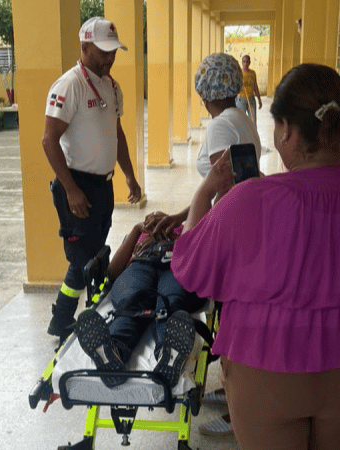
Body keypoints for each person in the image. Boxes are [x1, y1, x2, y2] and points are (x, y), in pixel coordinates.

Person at [171, 63, 340, 449]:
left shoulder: (250, 200)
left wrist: (204, 192)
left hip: (266, 366)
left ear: (286, 130)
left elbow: (189, 266)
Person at [42, 17, 142, 340]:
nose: (110, 58)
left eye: (113, 52)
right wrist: (70, 189)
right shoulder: (69, 85)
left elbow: (117, 135)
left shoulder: (112, 87)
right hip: (77, 186)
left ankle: (93, 314)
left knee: (97, 255)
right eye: (103, 52)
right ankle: (63, 319)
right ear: (85, 47)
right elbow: (49, 140)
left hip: (103, 185)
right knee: (82, 260)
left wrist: (130, 176)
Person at [74, 214, 203, 388]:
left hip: (176, 264)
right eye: (151, 220)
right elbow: (112, 273)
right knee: (131, 305)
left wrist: (177, 240)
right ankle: (112, 353)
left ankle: (169, 354)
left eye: (162, 218)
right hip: (140, 265)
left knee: (170, 303)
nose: (156, 220)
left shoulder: (185, 228)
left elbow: (201, 256)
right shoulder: (140, 236)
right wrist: (136, 232)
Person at [148, 53, 261, 240]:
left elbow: (225, 189)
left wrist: (198, 232)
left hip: (228, 225)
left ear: (205, 93)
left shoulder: (220, 126)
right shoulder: (242, 118)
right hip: (243, 217)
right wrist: (181, 217)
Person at [235, 55, 262, 124]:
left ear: (250, 63)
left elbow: (255, 86)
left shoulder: (252, 73)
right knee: (241, 120)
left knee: (253, 121)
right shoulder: (238, 73)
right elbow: (234, 87)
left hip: (251, 99)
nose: (245, 64)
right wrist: (240, 83)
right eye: (244, 62)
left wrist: (259, 99)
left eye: (247, 62)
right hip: (241, 99)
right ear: (242, 62)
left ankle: (253, 134)